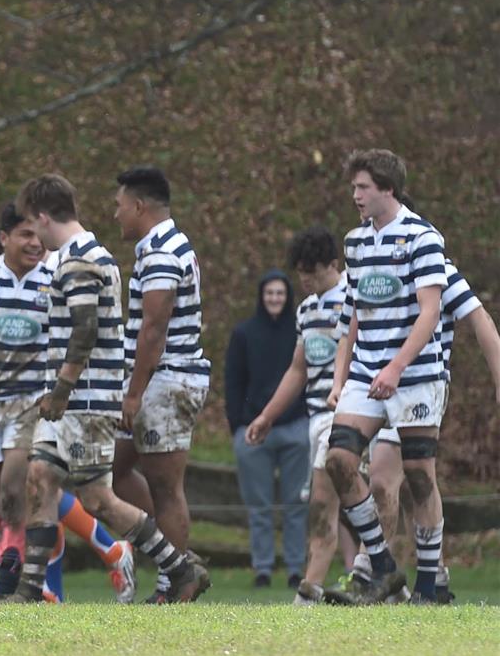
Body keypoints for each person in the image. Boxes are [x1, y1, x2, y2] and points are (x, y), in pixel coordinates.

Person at [7, 174, 209, 605]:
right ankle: (27, 592)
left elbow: (86, 330)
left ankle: (179, 567)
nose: (33, 235)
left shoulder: (82, 258)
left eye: (32, 223)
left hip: (85, 401)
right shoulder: (79, 255)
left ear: (43, 217)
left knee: (100, 499)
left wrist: (61, 390)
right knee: (40, 477)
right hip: (75, 402)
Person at [0, 203, 136, 603]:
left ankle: (20, 587)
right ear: (4, 238)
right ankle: (93, 554)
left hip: (34, 403)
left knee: (20, 488)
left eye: (38, 235)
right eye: (24, 235)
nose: (35, 243)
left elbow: (85, 330)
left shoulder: (55, 279)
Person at [325, 149, 448, 605]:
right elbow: (354, 312)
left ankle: (430, 589)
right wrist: (343, 375)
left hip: (415, 374)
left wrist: (396, 367)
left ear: (387, 189)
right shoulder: (355, 242)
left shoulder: (422, 236)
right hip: (365, 373)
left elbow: (431, 311)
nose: (355, 195)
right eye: (354, 187)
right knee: (339, 460)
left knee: (418, 475)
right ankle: (383, 567)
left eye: (363, 187)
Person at [244, 226, 358, 604]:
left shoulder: (353, 299)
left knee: (326, 503)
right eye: (302, 272)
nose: (306, 279)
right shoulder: (306, 309)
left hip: (350, 414)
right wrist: (267, 416)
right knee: (339, 504)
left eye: (313, 271)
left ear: (333, 265)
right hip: (316, 418)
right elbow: (298, 369)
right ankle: (373, 578)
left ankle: (309, 592)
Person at [112, 167, 211, 599]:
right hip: (159, 380)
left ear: (139, 206)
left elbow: (154, 328)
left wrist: (133, 392)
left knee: (166, 488)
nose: (116, 215)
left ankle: (176, 585)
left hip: (167, 380)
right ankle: (180, 558)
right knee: (109, 473)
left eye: (119, 206)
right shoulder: (160, 246)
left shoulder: (161, 251)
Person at [225, 270, 310, 588]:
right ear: (262, 296)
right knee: (258, 506)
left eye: (280, 293)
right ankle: (262, 568)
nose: (275, 298)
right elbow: (233, 382)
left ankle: (294, 569)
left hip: (295, 430)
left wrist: (305, 419)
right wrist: (237, 425)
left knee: (295, 504)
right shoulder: (244, 334)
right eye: (269, 293)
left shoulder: (299, 332)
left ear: (287, 297)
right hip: (251, 432)